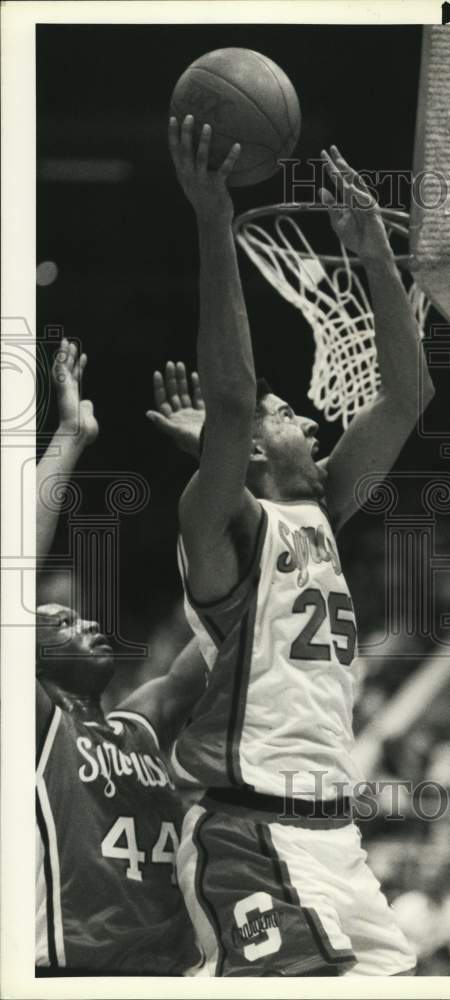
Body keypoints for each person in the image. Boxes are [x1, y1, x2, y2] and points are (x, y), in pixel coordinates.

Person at [162, 114, 437, 977]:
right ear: (245, 447)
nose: (310, 416)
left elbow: (408, 395)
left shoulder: (322, 512)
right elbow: (235, 396)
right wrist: (211, 213)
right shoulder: (227, 528)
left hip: (336, 839)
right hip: (250, 829)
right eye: (286, 415)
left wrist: (372, 257)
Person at [36, 339, 206, 974]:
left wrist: (232, 475)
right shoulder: (37, 728)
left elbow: (226, 630)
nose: (84, 623)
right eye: (57, 623)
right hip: (76, 972)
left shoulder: (136, 724)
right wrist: (71, 439)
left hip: (173, 971)